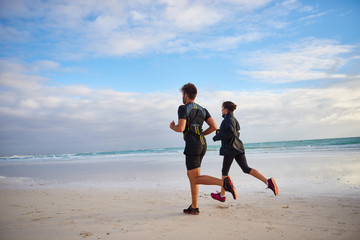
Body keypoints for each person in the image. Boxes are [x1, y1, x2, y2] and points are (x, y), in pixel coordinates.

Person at [170, 83, 237, 215]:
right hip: (202, 144)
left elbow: (181, 128)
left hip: (192, 145)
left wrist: (172, 126)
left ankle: (224, 183)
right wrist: (201, 134)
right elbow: (214, 126)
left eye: (182, 94)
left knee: (194, 178)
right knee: (194, 176)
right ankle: (194, 207)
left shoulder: (183, 108)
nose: (182, 96)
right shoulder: (203, 109)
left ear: (185, 94)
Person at [211, 101, 279, 202]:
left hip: (231, 148)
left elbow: (231, 133)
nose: (221, 110)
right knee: (246, 169)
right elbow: (234, 133)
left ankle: (222, 195)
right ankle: (268, 182)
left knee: (224, 171)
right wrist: (221, 132)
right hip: (238, 147)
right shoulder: (234, 119)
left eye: (222, 108)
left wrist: (217, 137)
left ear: (226, 109)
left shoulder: (227, 120)